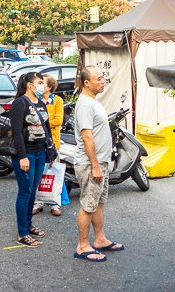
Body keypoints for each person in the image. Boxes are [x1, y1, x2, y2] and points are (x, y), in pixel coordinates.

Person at [74, 66, 123, 262]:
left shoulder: (93, 101)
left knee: (99, 203)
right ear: (86, 83)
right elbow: (87, 137)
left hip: (100, 162)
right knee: (88, 204)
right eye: (99, 78)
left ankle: (100, 239)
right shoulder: (85, 104)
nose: (103, 81)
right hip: (89, 163)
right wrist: (94, 165)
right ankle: (82, 246)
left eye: (104, 78)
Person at [9, 71, 52, 247]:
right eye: (39, 82)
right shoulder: (20, 103)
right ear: (30, 85)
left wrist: (51, 152)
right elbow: (17, 132)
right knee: (25, 191)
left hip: (40, 152)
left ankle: (28, 225)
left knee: (33, 192)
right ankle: (22, 233)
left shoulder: (41, 103)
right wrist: (22, 156)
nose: (42, 85)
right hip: (26, 155)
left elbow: (47, 128)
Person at [33, 75, 65, 217]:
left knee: (55, 173)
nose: (40, 85)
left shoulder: (57, 100)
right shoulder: (35, 99)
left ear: (49, 87)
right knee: (38, 173)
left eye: (42, 83)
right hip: (37, 141)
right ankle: (37, 203)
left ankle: (55, 204)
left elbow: (58, 120)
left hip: (53, 142)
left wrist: (40, 121)